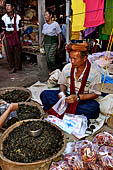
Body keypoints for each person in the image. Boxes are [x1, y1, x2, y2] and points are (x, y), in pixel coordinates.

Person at [40, 42, 101, 119]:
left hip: (82, 100)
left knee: (93, 109)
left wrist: (77, 97)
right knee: (45, 95)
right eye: (71, 58)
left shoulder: (95, 72)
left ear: (85, 58)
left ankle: (62, 110)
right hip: (67, 97)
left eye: (75, 59)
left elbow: (95, 94)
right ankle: (71, 112)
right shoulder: (67, 67)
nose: (72, 61)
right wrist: (62, 93)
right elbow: (62, 84)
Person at [1, 0, 22, 73]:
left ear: (12, 7)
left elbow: (20, 28)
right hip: (7, 35)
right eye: (6, 6)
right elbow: (3, 29)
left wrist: (19, 37)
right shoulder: (3, 18)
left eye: (9, 6)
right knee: (9, 51)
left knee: (17, 51)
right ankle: (12, 66)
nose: (7, 7)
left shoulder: (18, 17)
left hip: (16, 35)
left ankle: (17, 66)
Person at [41, 9, 61, 73]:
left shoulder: (55, 24)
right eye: (45, 15)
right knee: (47, 57)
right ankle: (50, 70)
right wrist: (41, 43)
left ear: (50, 16)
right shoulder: (45, 25)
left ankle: (54, 70)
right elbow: (43, 35)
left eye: (47, 15)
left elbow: (59, 34)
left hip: (53, 42)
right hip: (46, 42)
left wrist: (59, 44)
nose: (45, 16)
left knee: (51, 57)